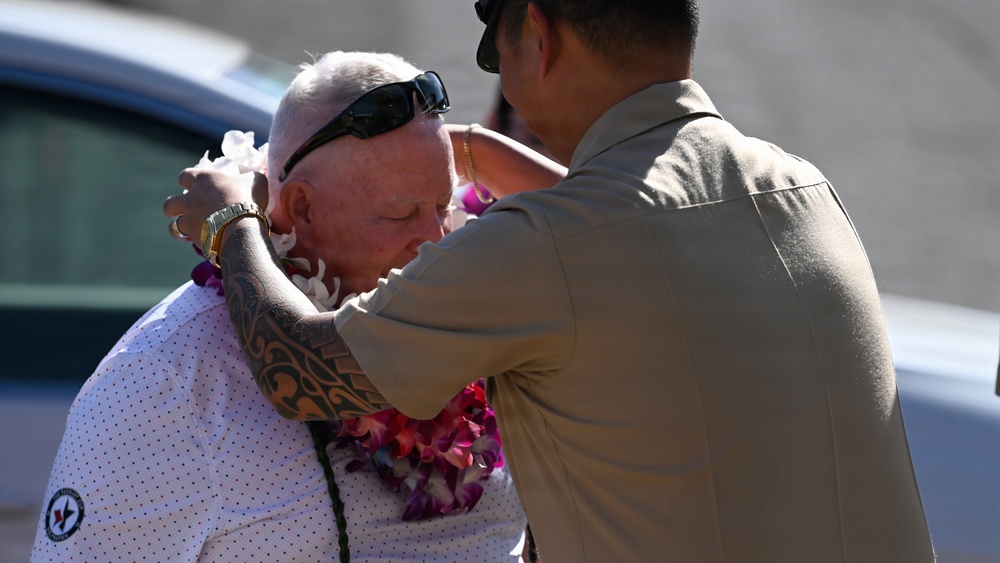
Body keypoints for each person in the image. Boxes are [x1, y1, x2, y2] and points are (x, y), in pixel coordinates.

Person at [163, 1, 936, 561]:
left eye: (494, 52)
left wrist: (231, 221)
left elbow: (300, 373)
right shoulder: (801, 187)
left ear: (537, 31)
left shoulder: (548, 249)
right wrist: (467, 151)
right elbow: (631, 226)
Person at [33, 51, 562, 562]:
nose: (437, 239)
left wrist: (466, 147)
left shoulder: (473, 311)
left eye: (444, 204)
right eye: (401, 213)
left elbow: (606, 232)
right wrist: (235, 224)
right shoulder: (169, 378)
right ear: (301, 208)